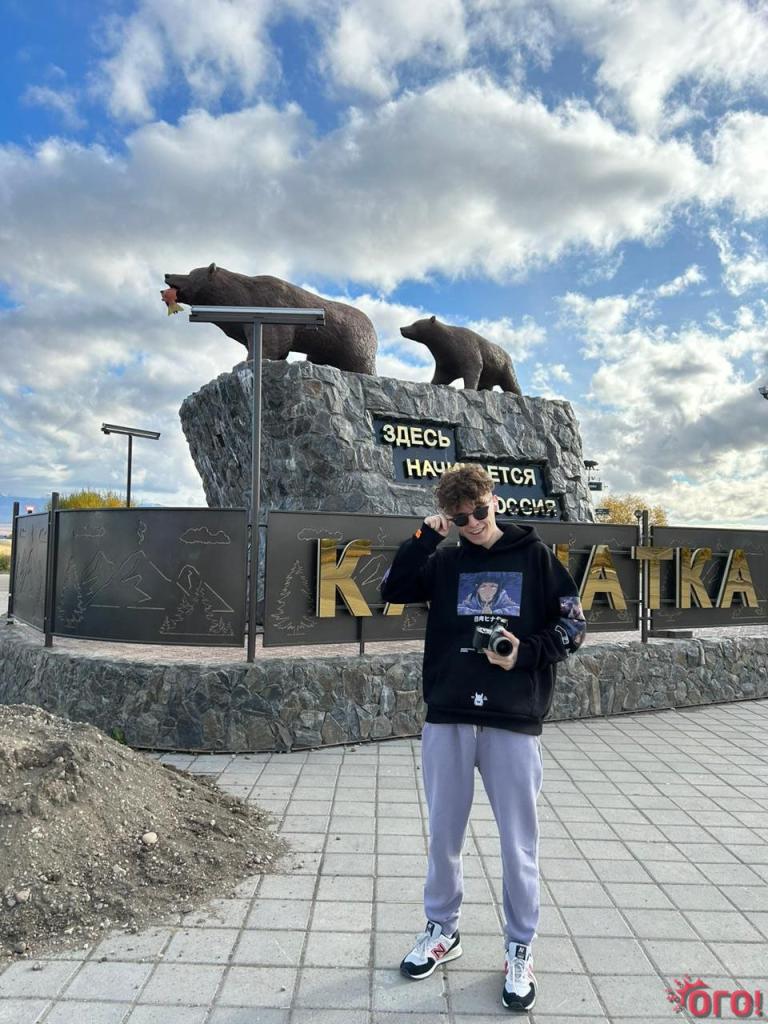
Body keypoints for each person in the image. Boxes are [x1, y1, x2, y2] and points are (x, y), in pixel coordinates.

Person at [380, 465, 585, 1012]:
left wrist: (523, 654)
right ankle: (442, 930)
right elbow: (392, 589)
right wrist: (424, 538)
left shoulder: (535, 557)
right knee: (443, 835)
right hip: (448, 714)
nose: (471, 523)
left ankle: (520, 946)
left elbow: (573, 626)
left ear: (495, 500)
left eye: (478, 511)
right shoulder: (444, 560)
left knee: (518, 843)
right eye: (459, 517)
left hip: (512, 717)